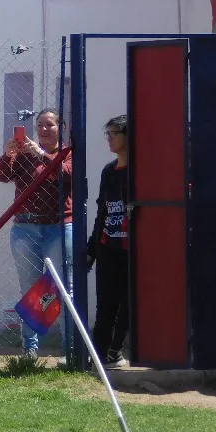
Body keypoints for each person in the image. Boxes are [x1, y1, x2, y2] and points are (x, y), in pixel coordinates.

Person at [0, 108, 73, 359]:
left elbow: (67, 177)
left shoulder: (67, 154)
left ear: (61, 128)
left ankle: (69, 346)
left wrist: (41, 154)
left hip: (58, 227)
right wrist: (9, 155)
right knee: (30, 288)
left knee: (61, 286)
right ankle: (30, 348)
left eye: (50, 125)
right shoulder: (25, 156)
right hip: (25, 229)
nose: (44, 130)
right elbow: (1, 175)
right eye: (40, 125)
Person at [87, 115, 129, 369]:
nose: (110, 139)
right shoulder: (109, 171)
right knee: (106, 305)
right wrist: (93, 248)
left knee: (129, 304)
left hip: (133, 250)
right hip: (109, 249)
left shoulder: (142, 170)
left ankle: (115, 350)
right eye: (108, 134)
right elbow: (102, 210)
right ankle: (99, 358)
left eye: (115, 133)